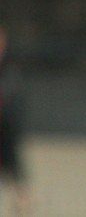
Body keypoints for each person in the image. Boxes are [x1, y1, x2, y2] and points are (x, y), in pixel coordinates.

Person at [0, 26, 31, 216]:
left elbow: (11, 97)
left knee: (15, 171)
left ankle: (23, 205)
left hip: (6, 131)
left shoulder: (10, 70)